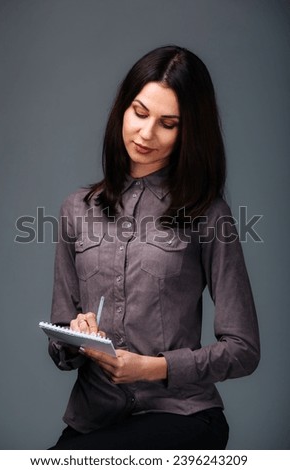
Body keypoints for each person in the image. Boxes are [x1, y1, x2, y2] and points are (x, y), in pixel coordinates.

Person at [47, 45, 260, 450]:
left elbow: (244, 349)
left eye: (168, 123)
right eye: (140, 113)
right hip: (93, 418)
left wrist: (154, 368)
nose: (146, 134)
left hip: (181, 415)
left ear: (188, 131)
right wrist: (75, 336)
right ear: (122, 110)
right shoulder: (76, 208)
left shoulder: (209, 214)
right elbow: (60, 340)